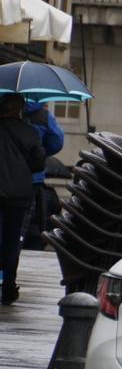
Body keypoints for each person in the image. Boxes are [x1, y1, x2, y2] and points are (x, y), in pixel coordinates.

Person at [0, 93, 45, 306]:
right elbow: (38, 164)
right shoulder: (29, 132)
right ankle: (9, 287)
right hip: (18, 194)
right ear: (19, 109)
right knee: (11, 241)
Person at [21, 100, 64, 250]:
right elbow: (56, 142)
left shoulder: (5, 112)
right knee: (25, 218)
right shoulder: (43, 115)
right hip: (33, 177)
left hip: (4, 174)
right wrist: (40, 154)